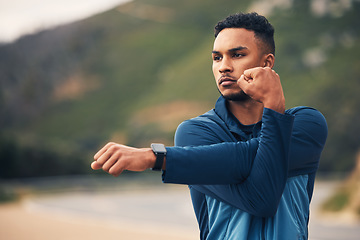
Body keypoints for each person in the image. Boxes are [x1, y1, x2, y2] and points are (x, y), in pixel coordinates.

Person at [91, 12, 328, 240]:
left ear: (267, 63)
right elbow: (260, 198)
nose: (224, 66)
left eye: (237, 55)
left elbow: (252, 174)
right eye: (217, 57)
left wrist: (158, 158)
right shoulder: (195, 133)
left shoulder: (306, 124)